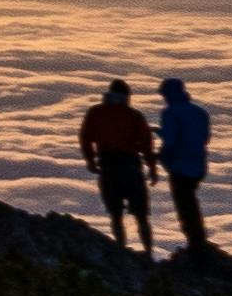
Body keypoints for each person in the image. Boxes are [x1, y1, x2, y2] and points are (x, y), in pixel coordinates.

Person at [77, 77, 159, 253]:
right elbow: (146, 143)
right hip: (131, 168)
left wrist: (90, 160)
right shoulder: (134, 115)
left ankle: (121, 251)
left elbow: (85, 137)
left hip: (107, 167)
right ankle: (148, 254)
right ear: (126, 96)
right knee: (141, 215)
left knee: (115, 214)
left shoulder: (95, 112)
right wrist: (152, 168)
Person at [154, 75, 217, 255]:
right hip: (198, 165)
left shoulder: (170, 113)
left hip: (180, 167)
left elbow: (172, 142)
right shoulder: (200, 112)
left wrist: (160, 156)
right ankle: (198, 241)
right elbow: (204, 139)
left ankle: (196, 245)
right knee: (191, 203)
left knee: (185, 206)